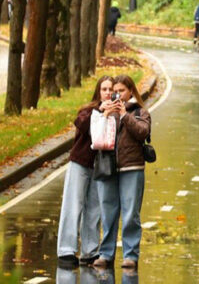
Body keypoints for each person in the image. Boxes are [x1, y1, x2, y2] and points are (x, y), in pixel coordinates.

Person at [93, 75, 152, 270]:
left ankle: (130, 255)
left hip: (131, 167)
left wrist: (125, 115)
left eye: (122, 91)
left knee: (130, 214)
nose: (117, 95)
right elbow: (94, 135)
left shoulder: (139, 112)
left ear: (131, 92)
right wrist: (104, 114)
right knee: (108, 212)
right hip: (108, 168)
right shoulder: (106, 110)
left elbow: (143, 132)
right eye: (115, 91)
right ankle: (106, 253)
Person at [56, 76, 112, 269]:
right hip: (80, 163)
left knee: (94, 209)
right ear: (98, 91)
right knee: (73, 205)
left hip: (100, 167)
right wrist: (100, 112)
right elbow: (81, 124)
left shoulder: (115, 114)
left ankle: (90, 251)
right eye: (104, 89)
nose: (107, 93)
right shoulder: (88, 111)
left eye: (110, 90)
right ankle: (66, 250)